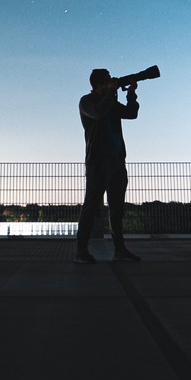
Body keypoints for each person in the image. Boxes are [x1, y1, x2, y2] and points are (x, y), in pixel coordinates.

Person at [75, 68, 141, 263]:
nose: (112, 81)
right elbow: (98, 113)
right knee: (91, 205)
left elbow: (131, 113)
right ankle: (81, 251)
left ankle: (120, 250)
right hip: (98, 161)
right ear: (98, 84)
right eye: (108, 80)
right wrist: (113, 92)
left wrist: (131, 94)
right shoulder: (87, 101)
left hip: (117, 161)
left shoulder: (110, 101)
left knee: (117, 208)